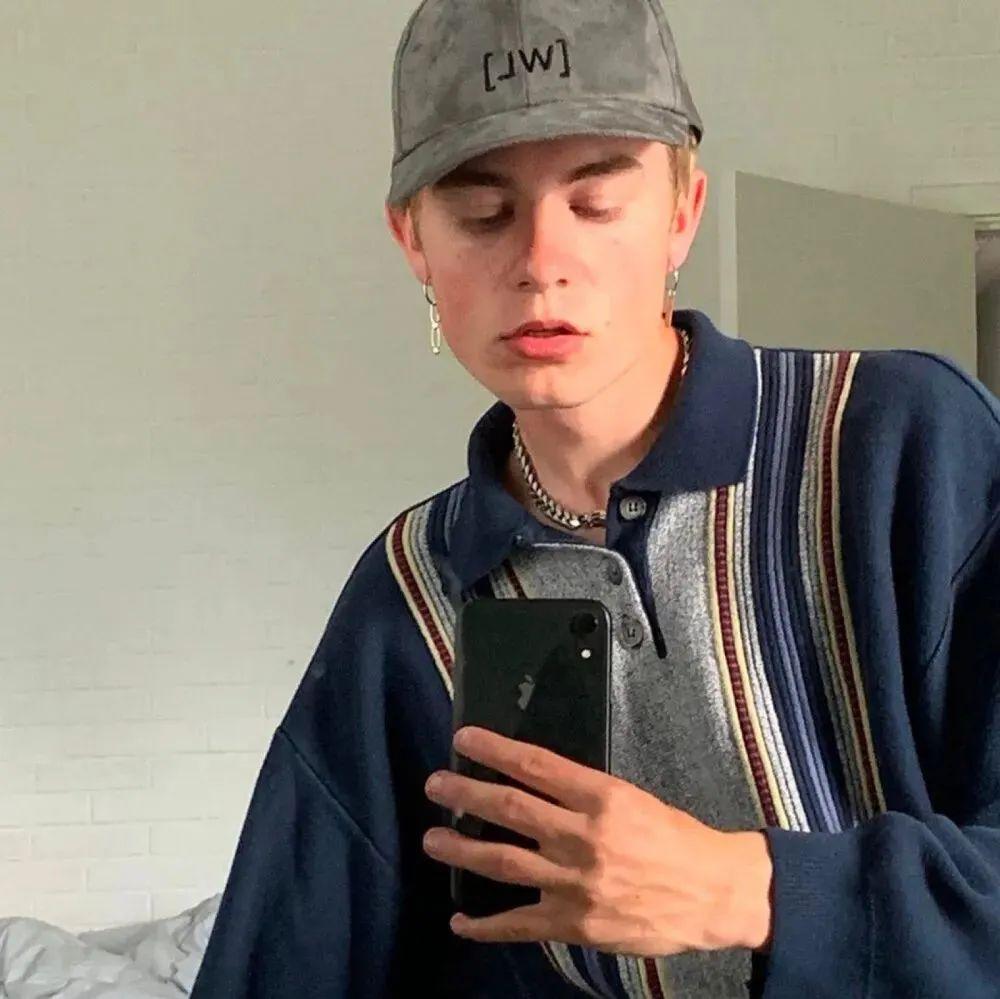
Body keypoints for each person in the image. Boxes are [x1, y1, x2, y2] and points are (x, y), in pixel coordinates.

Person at [189, 0, 1000, 996]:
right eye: (482, 214)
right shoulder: (410, 596)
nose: (541, 263)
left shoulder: (902, 447)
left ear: (682, 212)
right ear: (413, 242)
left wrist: (744, 889)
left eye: (597, 200)